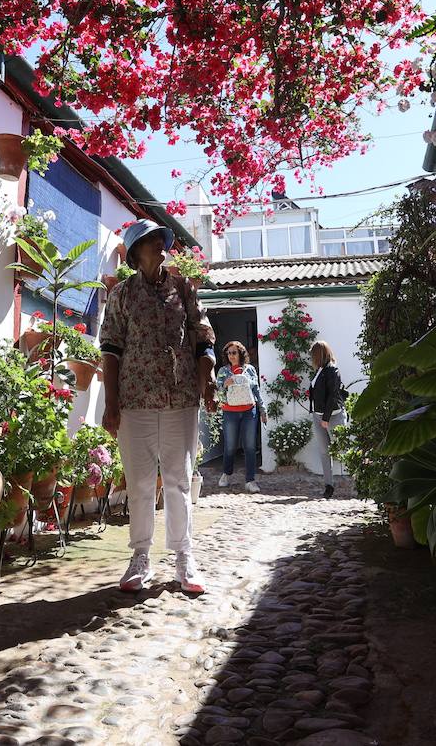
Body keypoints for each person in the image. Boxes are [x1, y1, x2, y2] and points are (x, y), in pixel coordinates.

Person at [99, 220, 217, 594]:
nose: (160, 246)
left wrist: (208, 378)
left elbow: (203, 337)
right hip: (135, 401)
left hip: (181, 397)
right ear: (135, 254)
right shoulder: (121, 295)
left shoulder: (183, 288)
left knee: (180, 480)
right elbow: (111, 349)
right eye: (150, 242)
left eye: (160, 241)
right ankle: (140, 557)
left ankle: (184, 558)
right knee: (139, 482)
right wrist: (111, 403)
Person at [215, 340, 266, 493]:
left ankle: (250, 480)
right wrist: (225, 384)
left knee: (249, 447)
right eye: (229, 353)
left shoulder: (250, 370)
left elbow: (256, 390)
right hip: (230, 411)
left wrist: (262, 409)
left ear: (241, 354)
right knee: (230, 446)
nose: (231, 356)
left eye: (234, 352)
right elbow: (218, 391)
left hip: (249, 412)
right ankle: (227, 473)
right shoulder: (223, 371)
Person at [307, 340, 347, 499]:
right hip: (318, 416)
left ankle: (361, 479)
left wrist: (326, 418)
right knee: (324, 452)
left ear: (319, 354)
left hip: (333, 416)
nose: (311, 358)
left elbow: (333, 395)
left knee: (343, 449)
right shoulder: (321, 370)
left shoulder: (332, 370)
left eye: (313, 355)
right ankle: (329, 486)